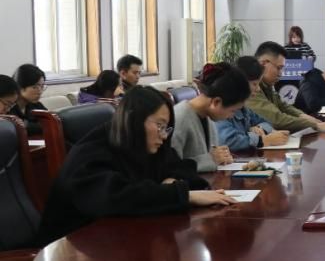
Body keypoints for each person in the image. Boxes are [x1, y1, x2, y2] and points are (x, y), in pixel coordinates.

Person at [36, 86, 236, 245]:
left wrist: (172, 181)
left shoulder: (145, 145)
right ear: (134, 120)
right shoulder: (91, 152)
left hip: (119, 241)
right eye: (159, 125)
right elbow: (116, 197)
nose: (164, 135)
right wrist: (183, 195)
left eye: (166, 128)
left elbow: (183, 168)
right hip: (73, 252)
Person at [247, 42, 325, 133]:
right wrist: (316, 126)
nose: (281, 74)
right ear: (263, 63)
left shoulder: (267, 85)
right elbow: (277, 120)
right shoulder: (250, 87)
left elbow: (283, 105)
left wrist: (303, 116)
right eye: (279, 68)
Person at [171, 63, 251, 173]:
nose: (232, 116)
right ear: (216, 102)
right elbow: (169, 168)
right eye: (232, 111)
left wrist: (221, 156)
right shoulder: (179, 119)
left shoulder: (208, 116)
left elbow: (211, 155)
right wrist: (211, 159)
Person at [216, 56, 290, 152]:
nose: (258, 89)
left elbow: (266, 122)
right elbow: (229, 141)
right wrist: (263, 140)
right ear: (241, 82)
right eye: (255, 84)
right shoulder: (222, 106)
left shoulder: (243, 109)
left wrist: (259, 129)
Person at [10, 64, 48, 135]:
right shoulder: (8, 108)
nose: (40, 92)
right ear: (20, 87)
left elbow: (50, 123)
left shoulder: (37, 105)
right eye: (35, 87)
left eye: (42, 86)